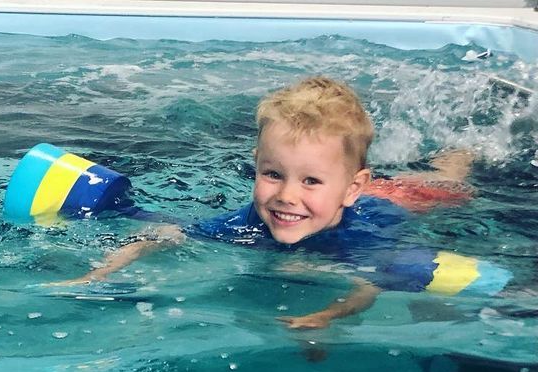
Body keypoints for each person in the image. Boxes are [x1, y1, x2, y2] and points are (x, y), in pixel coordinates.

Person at [57, 76, 481, 329]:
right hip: (341, 199)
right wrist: (102, 271)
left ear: (351, 187)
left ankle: (461, 153)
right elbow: (167, 233)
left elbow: (368, 287)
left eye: (309, 180)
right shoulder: (246, 224)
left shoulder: (362, 239)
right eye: (273, 174)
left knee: (442, 186)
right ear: (256, 165)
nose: (286, 196)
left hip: (384, 205)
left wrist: (327, 317)